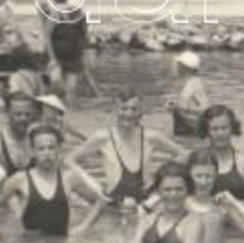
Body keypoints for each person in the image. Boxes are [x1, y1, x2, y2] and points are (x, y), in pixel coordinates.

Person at [67, 92, 186, 224]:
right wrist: (94, 185)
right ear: (115, 110)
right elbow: (69, 159)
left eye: (134, 109)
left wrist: (160, 177)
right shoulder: (103, 137)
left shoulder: (151, 137)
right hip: (110, 200)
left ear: (141, 112)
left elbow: (185, 154)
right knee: (69, 177)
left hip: (144, 200)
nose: (128, 114)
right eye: (124, 108)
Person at [121, 162, 204, 243]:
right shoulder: (148, 219)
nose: (173, 195)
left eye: (179, 189)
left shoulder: (193, 222)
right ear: (158, 191)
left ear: (187, 191)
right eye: (167, 190)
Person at [195, 105, 244, 205]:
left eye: (224, 128)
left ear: (232, 129)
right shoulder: (195, 160)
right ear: (207, 131)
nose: (220, 133)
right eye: (215, 129)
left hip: (238, 216)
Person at [46, 12, 98, 106]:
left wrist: (83, 61)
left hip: (73, 59)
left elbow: (83, 41)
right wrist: (52, 57)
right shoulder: (56, 16)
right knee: (57, 85)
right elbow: (47, 37)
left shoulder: (81, 19)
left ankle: (71, 110)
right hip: (57, 57)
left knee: (71, 88)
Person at [0, 93, 40, 174]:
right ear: (7, 114)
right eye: (18, 114)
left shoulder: (37, 141)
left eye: (27, 114)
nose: (23, 118)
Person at [167, 51, 208, 138]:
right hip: (189, 132)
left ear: (184, 67)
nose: (176, 67)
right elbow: (197, 107)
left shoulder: (193, 86)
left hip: (190, 134)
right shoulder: (194, 82)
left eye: (178, 64)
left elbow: (201, 113)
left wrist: (176, 110)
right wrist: (176, 108)